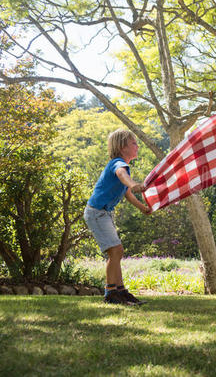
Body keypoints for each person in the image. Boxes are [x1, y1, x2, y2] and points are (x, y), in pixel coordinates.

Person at [83, 129, 151, 305]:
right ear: (122, 147)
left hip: (103, 213)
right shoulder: (118, 164)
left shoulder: (122, 165)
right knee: (115, 251)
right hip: (97, 212)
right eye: (133, 143)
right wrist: (134, 184)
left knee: (117, 251)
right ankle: (111, 293)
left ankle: (120, 291)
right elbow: (123, 177)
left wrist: (143, 208)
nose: (137, 146)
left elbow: (127, 193)